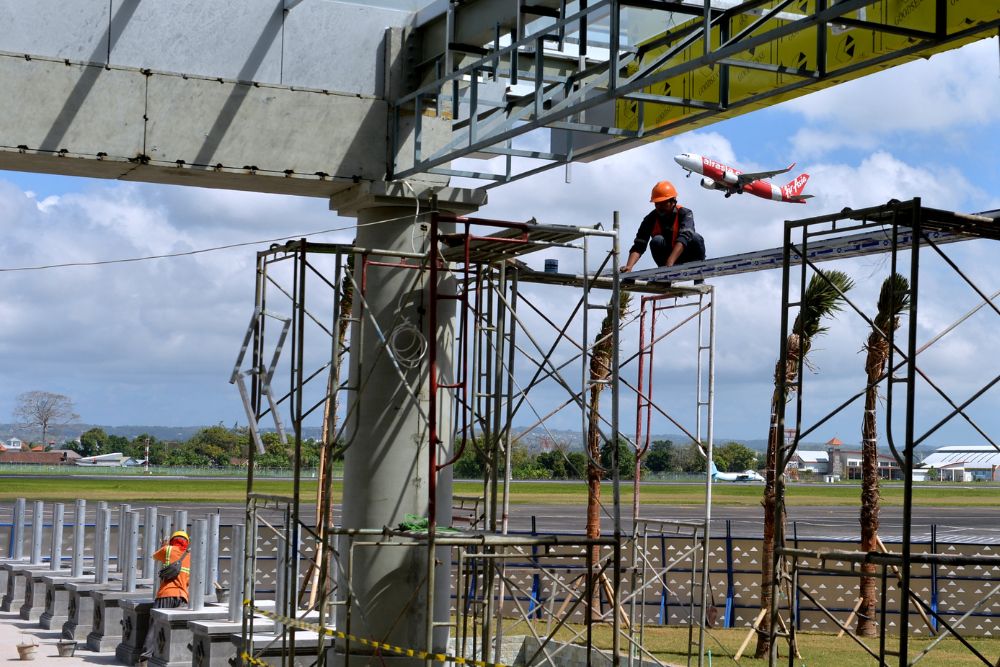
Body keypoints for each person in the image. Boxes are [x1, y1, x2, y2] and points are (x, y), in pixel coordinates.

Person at [620, 180, 706, 272]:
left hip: (686, 257)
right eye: (657, 204)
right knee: (656, 240)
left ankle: (698, 274)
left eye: (663, 203)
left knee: (696, 237)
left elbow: (684, 237)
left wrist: (670, 262)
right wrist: (629, 266)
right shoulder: (650, 219)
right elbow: (639, 245)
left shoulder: (685, 213)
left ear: (673, 202)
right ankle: (664, 274)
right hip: (666, 262)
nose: (659, 207)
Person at [140, 530, 191, 662]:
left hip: (166, 594)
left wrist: (164, 545)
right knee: (177, 628)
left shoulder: (168, 550)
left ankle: (145, 657)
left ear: (173, 539)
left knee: (155, 625)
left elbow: (155, 556)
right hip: (183, 597)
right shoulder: (190, 556)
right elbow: (189, 581)